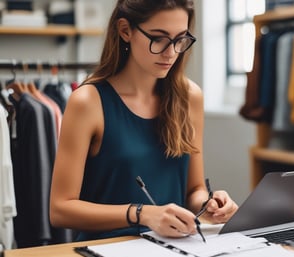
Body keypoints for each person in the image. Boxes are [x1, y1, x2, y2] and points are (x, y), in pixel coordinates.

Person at [49, 0, 238, 241]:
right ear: (125, 31)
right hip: (107, 249)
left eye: (180, 39)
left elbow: (194, 190)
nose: (171, 52)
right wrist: (141, 213)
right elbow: (60, 209)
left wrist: (209, 203)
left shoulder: (189, 97)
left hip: (175, 247)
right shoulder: (87, 102)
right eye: (158, 38)